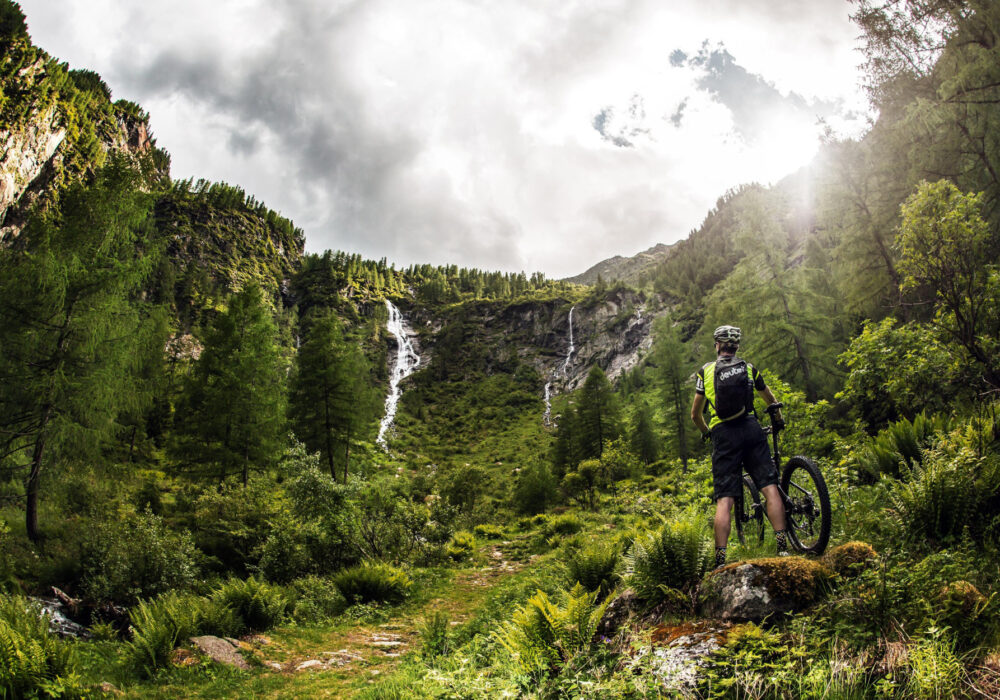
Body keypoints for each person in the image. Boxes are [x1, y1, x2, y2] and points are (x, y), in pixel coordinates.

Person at [690, 325, 788, 568]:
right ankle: (783, 547)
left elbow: (695, 414)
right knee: (769, 487)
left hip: (723, 434)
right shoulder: (749, 368)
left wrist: (707, 433)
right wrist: (777, 417)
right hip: (751, 429)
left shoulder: (706, 371)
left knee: (724, 499)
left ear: (717, 345)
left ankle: (721, 561)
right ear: (736, 347)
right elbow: (770, 399)